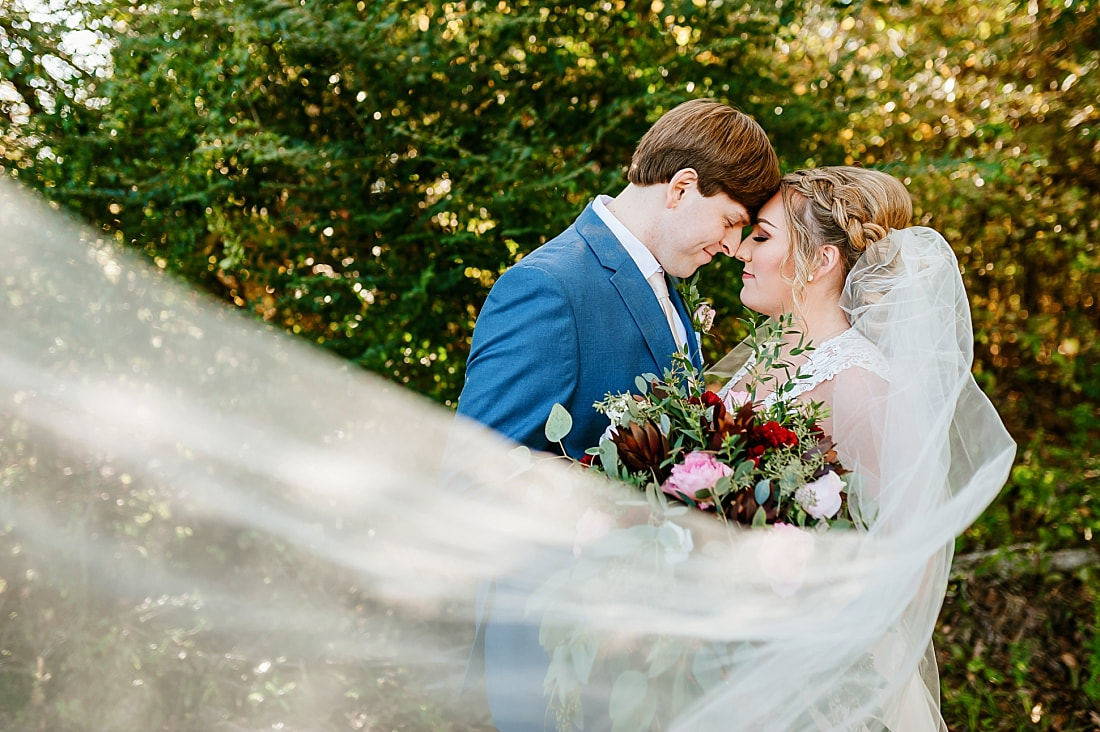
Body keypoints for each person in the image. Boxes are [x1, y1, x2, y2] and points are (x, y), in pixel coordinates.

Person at [455, 99, 780, 730]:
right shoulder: (551, 286)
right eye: (731, 221)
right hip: (555, 664)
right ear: (681, 188)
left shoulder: (666, 285)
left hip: (644, 668)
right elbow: (472, 475)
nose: (732, 245)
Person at [703, 166, 1017, 729]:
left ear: (821, 262)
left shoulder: (860, 384)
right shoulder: (765, 357)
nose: (741, 250)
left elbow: (911, 566)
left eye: (764, 236)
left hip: (812, 680)